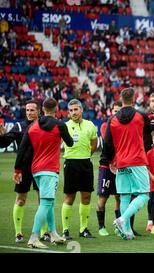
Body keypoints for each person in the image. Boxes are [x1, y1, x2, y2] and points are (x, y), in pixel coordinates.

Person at [14, 97, 73, 248]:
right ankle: (34, 237)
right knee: (46, 203)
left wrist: (17, 169)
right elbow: (70, 142)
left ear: (42, 109)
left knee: (49, 202)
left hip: (36, 169)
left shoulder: (32, 127)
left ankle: (53, 233)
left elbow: (21, 149)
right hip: (50, 169)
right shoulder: (59, 125)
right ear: (57, 108)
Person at [104, 88, 152, 240]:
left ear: (121, 99)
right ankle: (123, 219)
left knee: (125, 195)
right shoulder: (140, 116)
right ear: (133, 99)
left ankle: (127, 232)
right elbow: (149, 133)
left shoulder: (112, 120)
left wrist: (110, 161)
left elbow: (107, 144)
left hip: (121, 161)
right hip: (137, 159)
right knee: (144, 195)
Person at [0, 100, 43, 243]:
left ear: (39, 111)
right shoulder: (19, 126)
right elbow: (4, 143)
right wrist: (1, 135)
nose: (29, 113)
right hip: (23, 169)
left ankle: (44, 232)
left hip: (41, 167)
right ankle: (18, 233)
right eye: (27, 110)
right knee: (20, 199)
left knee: (42, 200)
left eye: (32, 110)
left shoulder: (44, 125)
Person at [61, 99, 98, 240]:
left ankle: (84, 229)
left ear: (81, 110)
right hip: (70, 164)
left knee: (86, 196)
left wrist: (86, 155)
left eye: (75, 110)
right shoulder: (65, 126)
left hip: (85, 164)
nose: (73, 113)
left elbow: (94, 144)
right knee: (69, 197)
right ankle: (65, 230)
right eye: (70, 111)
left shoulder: (90, 125)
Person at [97, 101, 122, 236]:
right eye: (115, 111)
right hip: (106, 166)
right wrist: (112, 161)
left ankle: (118, 226)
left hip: (120, 166)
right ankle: (101, 227)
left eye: (119, 111)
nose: (117, 113)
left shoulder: (124, 127)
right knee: (103, 197)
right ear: (111, 112)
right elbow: (108, 144)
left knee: (119, 197)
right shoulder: (105, 126)